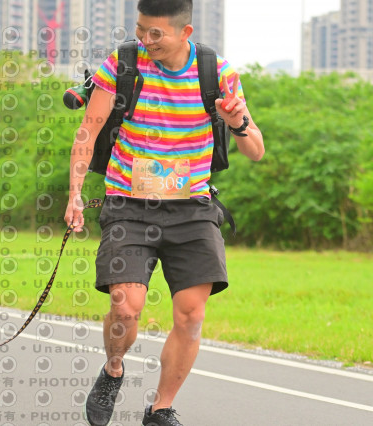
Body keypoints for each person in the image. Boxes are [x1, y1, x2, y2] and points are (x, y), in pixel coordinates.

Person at [64, 0, 264, 425]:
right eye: (141, 29)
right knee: (126, 306)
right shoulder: (123, 64)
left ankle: (160, 408)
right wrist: (75, 194)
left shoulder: (216, 73)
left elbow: (256, 150)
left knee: (191, 314)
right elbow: (88, 131)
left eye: (156, 33)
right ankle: (113, 369)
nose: (146, 40)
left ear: (185, 32)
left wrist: (237, 122)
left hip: (192, 208)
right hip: (128, 206)